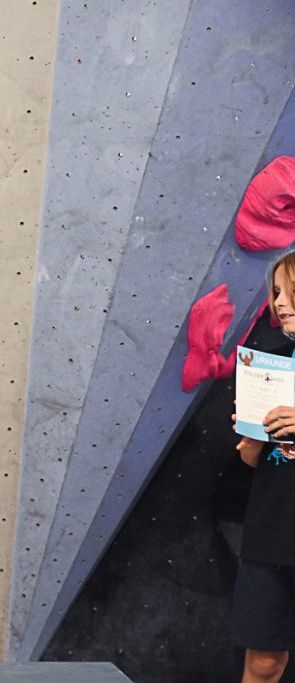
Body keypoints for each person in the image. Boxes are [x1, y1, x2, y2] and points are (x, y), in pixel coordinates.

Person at [231, 250, 295, 683]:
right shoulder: (270, 361)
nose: (282, 302)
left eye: (292, 291)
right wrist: (253, 438)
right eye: (276, 293)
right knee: (264, 663)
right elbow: (250, 459)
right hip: (272, 533)